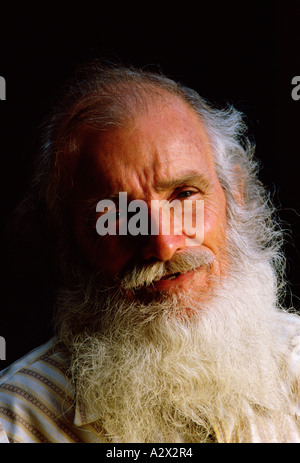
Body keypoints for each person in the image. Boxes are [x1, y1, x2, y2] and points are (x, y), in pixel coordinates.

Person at [0, 62, 300, 443]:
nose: (163, 243)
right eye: (120, 214)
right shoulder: (15, 425)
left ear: (234, 196)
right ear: (68, 242)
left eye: (185, 195)